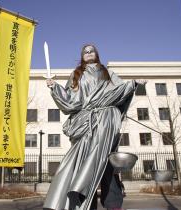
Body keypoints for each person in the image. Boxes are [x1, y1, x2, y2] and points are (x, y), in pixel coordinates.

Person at [43, 44, 146, 210]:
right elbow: (70, 102)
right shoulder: (76, 75)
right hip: (84, 124)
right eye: (85, 51)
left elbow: (118, 92)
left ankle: (113, 205)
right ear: (82, 56)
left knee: (106, 163)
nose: (89, 53)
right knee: (84, 165)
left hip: (106, 122)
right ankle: (83, 204)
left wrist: (132, 84)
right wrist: (55, 87)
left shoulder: (107, 73)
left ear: (96, 54)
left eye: (92, 51)